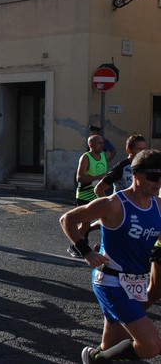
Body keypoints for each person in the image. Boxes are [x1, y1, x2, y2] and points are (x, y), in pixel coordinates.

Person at [60, 149, 161, 363]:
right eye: (154, 176)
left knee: (113, 344)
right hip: (111, 281)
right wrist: (85, 251)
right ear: (136, 175)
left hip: (137, 283)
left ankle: (96, 357)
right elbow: (67, 219)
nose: (159, 182)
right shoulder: (113, 204)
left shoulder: (159, 206)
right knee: (151, 345)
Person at [67, 134, 108, 258]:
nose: (102, 145)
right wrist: (97, 178)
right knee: (85, 224)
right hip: (85, 195)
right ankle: (74, 246)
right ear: (91, 145)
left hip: (98, 193)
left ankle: (100, 245)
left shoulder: (102, 155)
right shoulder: (86, 157)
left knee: (106, 218)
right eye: (99, 143)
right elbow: (79, 178)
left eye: (102, 142)